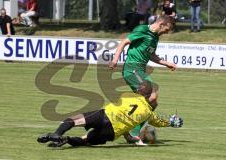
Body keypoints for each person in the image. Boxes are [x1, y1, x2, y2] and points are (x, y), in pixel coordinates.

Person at [37, 84, 183, 147]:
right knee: (86, 140)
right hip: (113, 131)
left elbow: (125, 110)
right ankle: (66, 139)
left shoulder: (128, 96)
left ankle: (57, 133)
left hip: (105, 115)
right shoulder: (149, 114)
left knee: (74, 120)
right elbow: (158, 122)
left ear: (140, 92)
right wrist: (172, 122)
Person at [109, 15, 177, 145]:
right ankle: (131, 132)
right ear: (161, 24)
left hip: (141, 70)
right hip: (132, 68)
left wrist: (166, 63)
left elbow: (151, 55)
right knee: (149, 97)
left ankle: (131, 132)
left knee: (153, 101)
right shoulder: (142, 30)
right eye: (167, 29)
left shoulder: (155, 37)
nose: (166, 32)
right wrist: (115, 59)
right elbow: (124, 42)